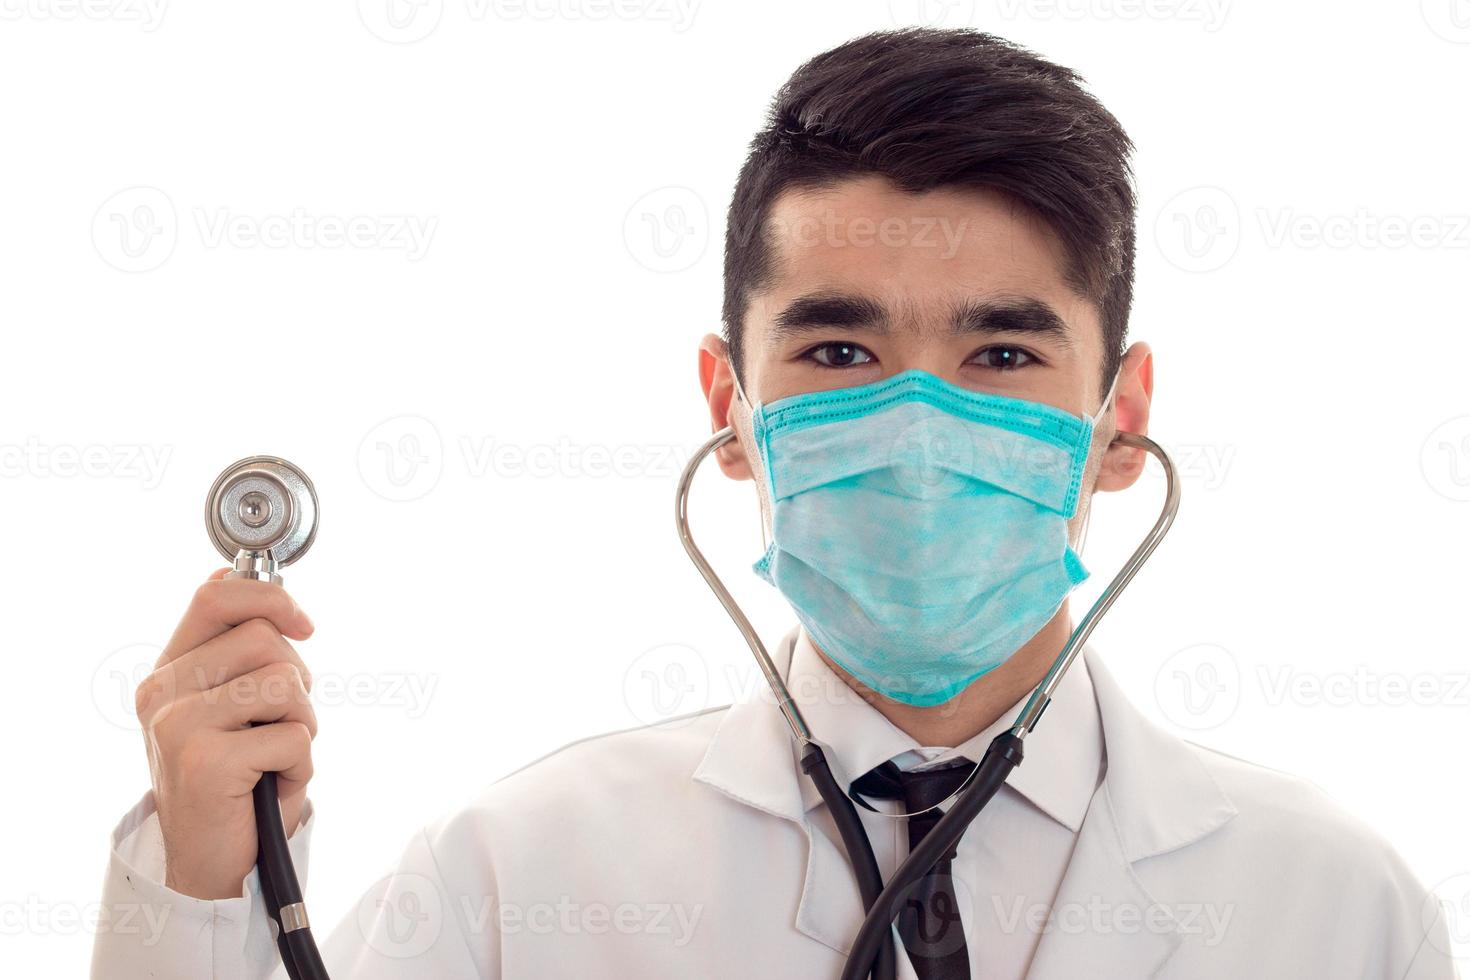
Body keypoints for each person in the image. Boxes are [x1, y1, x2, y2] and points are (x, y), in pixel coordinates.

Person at [91, 27, 1457, 980]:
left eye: (1001, 353)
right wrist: (202, 888)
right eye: (840, 352)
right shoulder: (517, 875)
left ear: (1121, 419)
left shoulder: (1333, 907)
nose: (917, 427)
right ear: (725, 406)